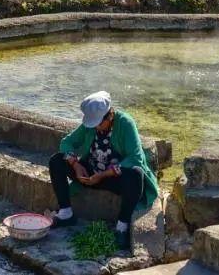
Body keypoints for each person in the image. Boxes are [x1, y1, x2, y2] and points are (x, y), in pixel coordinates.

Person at [48, 91, 159, 252]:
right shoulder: (89, 126)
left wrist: (104, 174)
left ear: (110, 116)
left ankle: (122, 226)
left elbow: (135, 158)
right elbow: (67, 143)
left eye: (99, 124)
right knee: (57, 160)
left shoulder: (125, 123)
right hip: (90, 173)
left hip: (113, 178)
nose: (96, 128)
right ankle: (66, 213)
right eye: (93, 125)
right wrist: (76, 165)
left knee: (136, 174)